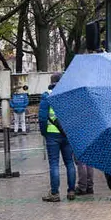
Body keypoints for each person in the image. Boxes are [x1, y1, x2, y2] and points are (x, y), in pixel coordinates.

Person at [38, 72, 77, 201]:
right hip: (67, 134)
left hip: (52, 134)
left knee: (54, 164)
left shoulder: (47, 96)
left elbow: (43, 117)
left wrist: (44, 132)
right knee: (70, 163)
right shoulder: (69, 95)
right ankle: (71, 191)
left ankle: (55, 194)